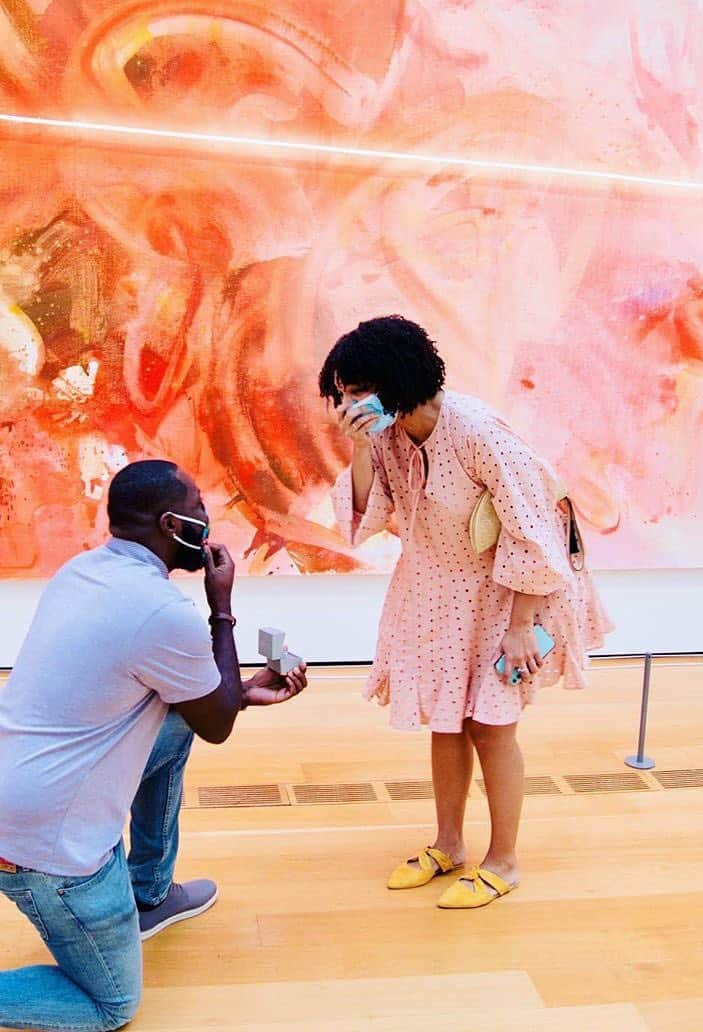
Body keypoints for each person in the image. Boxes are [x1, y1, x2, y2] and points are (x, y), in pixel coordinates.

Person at [0, 460, 308, 1031]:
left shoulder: (82, 572)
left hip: (16, 794)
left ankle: (149, 896)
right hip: (46, 850)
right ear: (171, 524)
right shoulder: (165, 612)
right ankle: (122, 899)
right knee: (111, 1004)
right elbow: (217, 725)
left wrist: (234, 693)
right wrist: (222, 607)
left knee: (176, 727)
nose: (207, 519)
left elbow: (195, 707)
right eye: (198, 507)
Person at [320, 315, 612, 909]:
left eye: (356, 393)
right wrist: (357, 445)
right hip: (438, 592)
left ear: (396, 382)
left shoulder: (480, 434)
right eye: (342, 395)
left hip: (506, 595)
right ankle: (448, 845)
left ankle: (503, 860)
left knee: (491, 726)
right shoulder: (391, 436)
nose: (347, 405)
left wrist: (521, 626)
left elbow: (537, 532)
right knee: (446, 719)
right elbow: (364, 516)